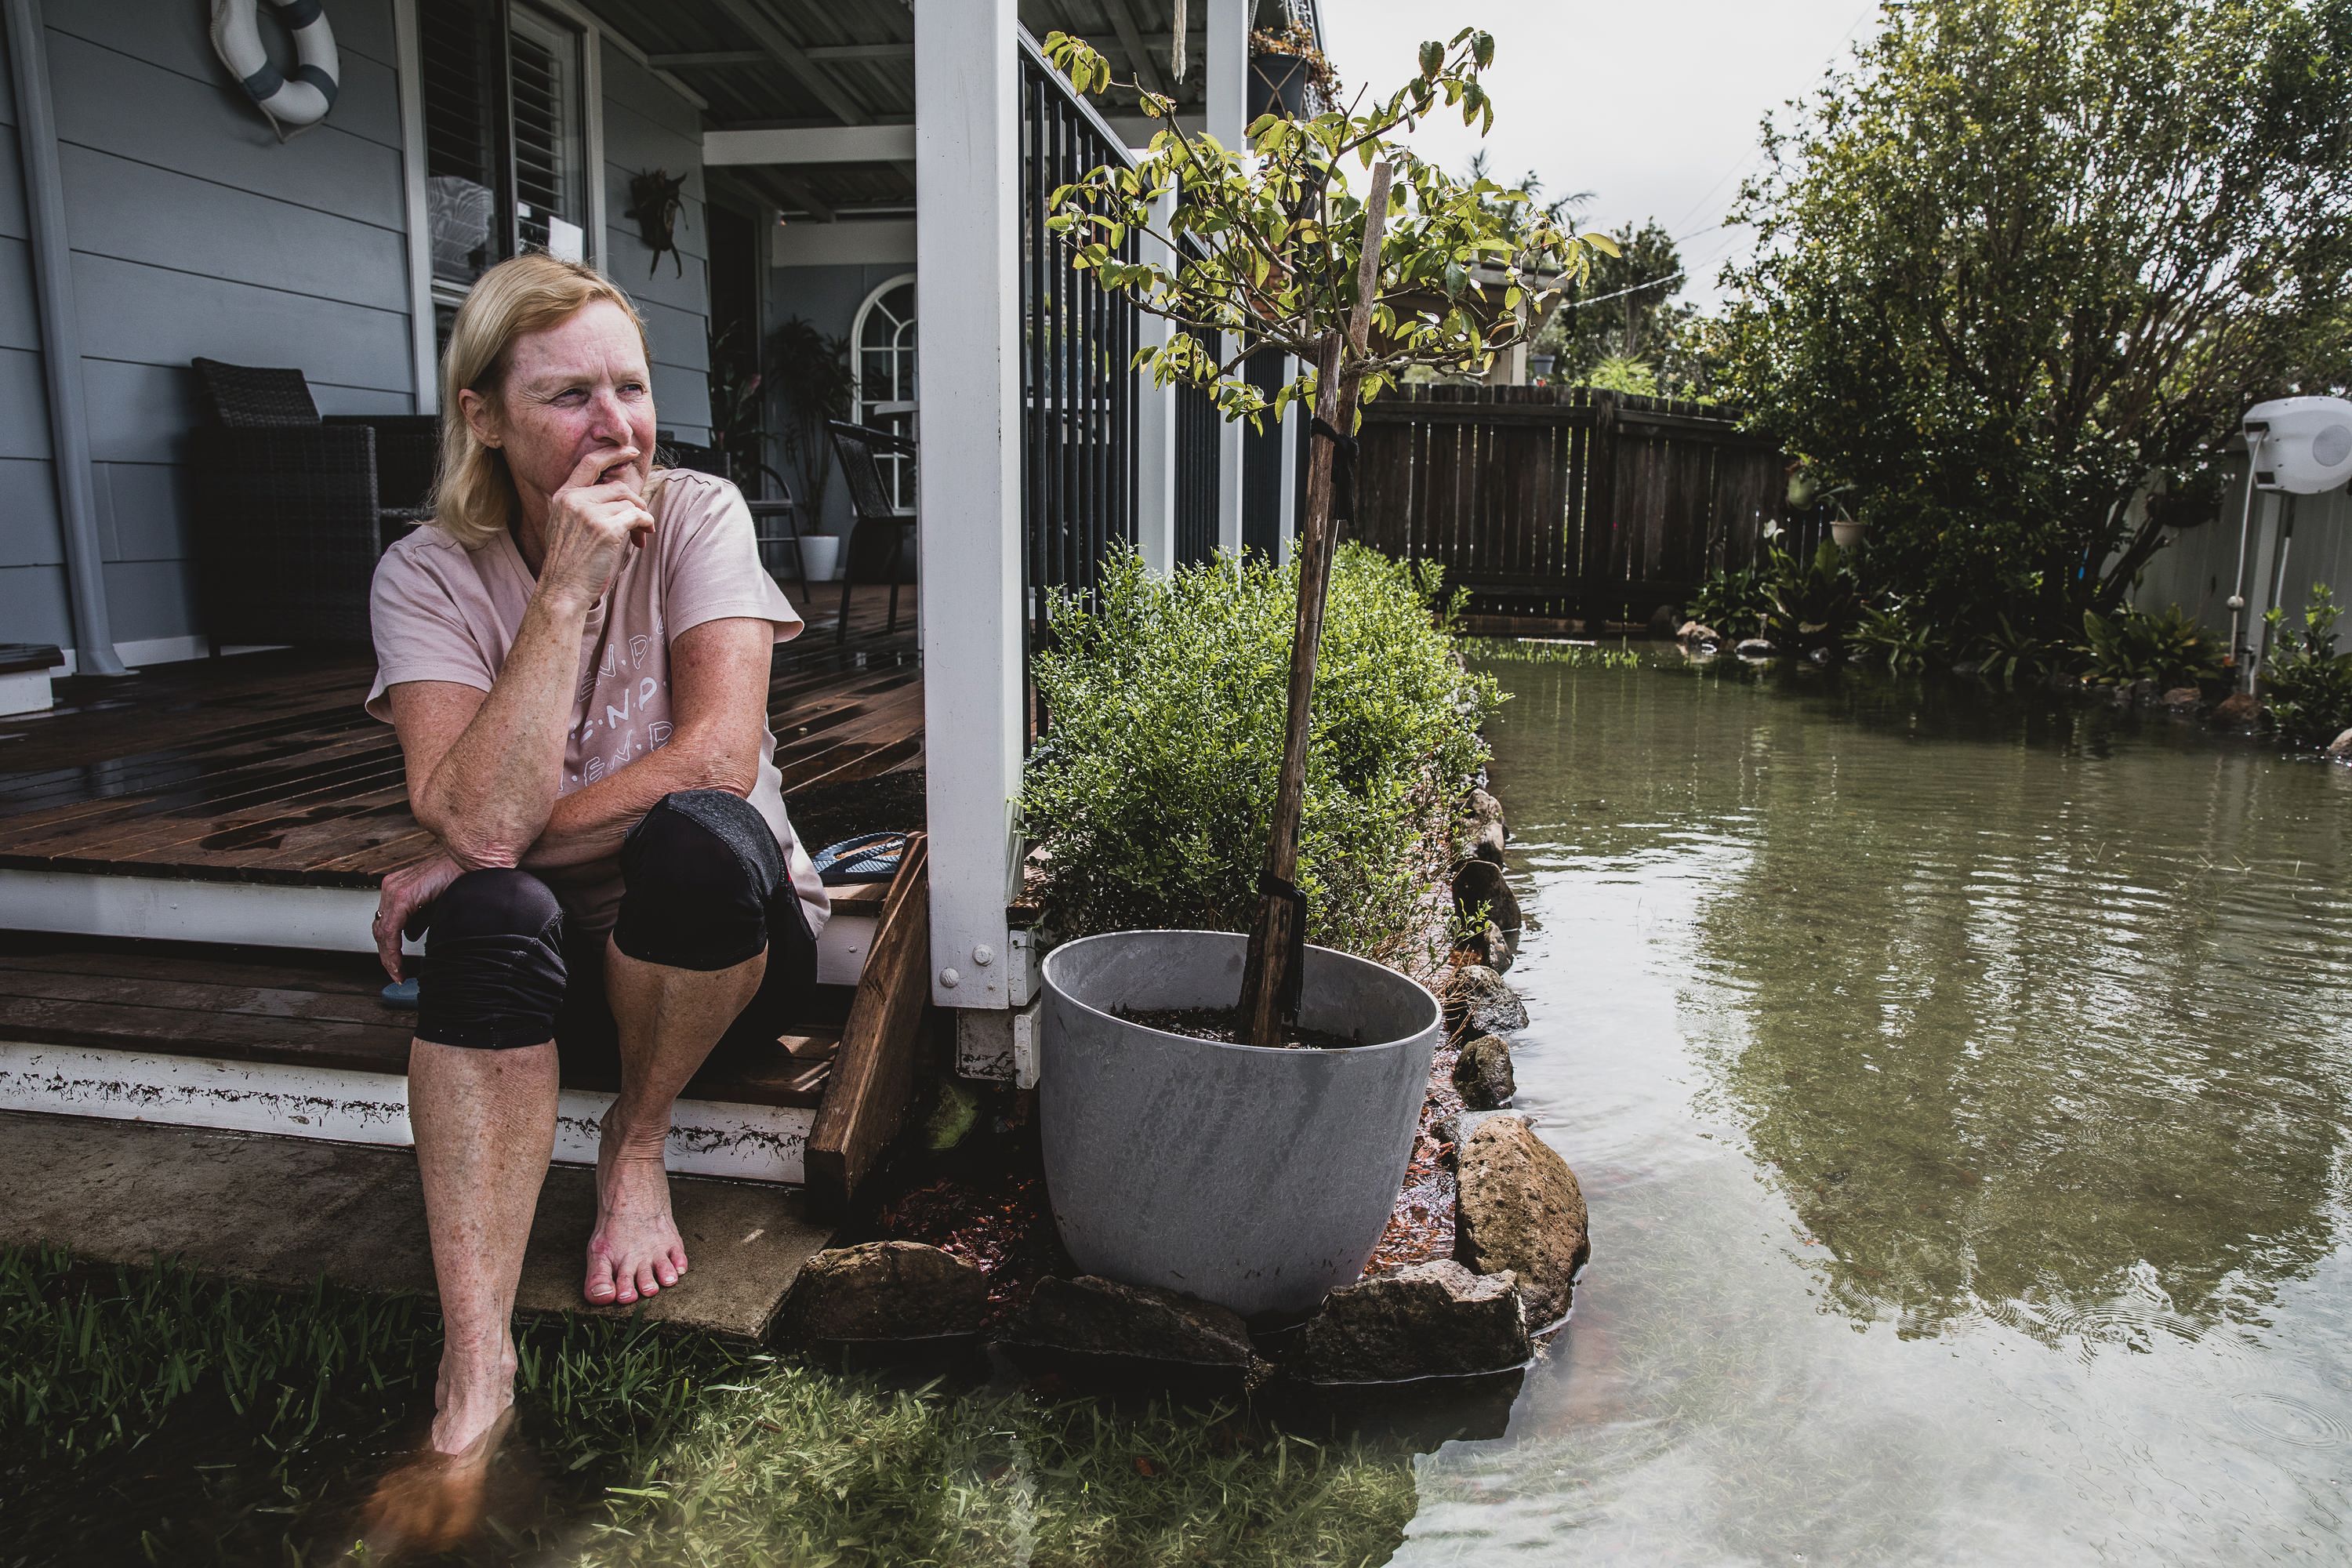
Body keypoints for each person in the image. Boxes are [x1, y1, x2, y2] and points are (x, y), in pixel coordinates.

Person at [363, 254, 828, 1471]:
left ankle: (635, 1143)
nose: (616, 424)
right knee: (491, 912)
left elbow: (717, 758)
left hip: (725, 955)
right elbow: (481, 825)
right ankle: (477, 1364)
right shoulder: (424, 574)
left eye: (631, 385)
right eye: (570, 396)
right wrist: (564, 591)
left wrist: (460, 844)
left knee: (695, 845)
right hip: (557, 970)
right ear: (483, 417)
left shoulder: (698, 515)